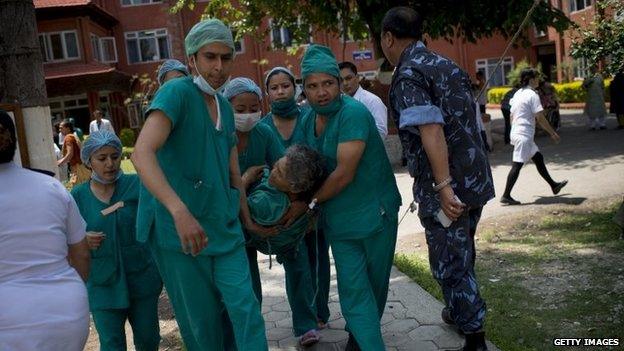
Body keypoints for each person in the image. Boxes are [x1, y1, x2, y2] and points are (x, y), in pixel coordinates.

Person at [131, 19, 268, 351]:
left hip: (223, 226)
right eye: (210, 57)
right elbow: (141, 153)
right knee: (202, 325)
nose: (218, 67)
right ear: (193, 58)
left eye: (225, 57)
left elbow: (231, 165)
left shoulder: (223, 104)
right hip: (181, 233)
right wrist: (179, 212)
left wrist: (245, 214)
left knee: (246, 309)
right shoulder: (177, 93)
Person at [381, 7, 495, 350]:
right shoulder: (445, 64)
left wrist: (444, 188)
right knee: (463, 252)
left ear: (388, 37)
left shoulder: (409, 74)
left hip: (447, 188)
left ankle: (473, 334)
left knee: (449, 263)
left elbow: (430, 128)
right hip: (475, 180)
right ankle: (460, 312)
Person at [299, 44, 402, 351]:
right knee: (354, 291)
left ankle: (359, 340)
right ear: (303, 88)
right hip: (340, 222)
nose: (322, 92)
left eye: (328, 83)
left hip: (376, 215)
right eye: (313, 86)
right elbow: (306, 166)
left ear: (339, 83)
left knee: (374, 288)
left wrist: (309, 204)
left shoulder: (353, 113)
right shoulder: (307, 120)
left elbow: (343, 173)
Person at [0, 110, 90, 351]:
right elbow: (81, 255)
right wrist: (65, 290)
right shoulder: (51, 186)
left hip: (8, 320)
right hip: (68, 312)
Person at [71, 131, 163, 351]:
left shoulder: (138, 186)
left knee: (148, 339)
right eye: (101, 158)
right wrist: (82, 240)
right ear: (88, 161)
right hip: (102, 283)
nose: (110, 164)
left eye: (114, 156)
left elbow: (159, 222)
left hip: (141, 277)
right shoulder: (78, 196)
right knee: (112, 344)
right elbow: (64, 239)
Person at [262, 66, 331, 328]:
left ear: (296, 88)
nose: (280, 91)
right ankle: (304, 324)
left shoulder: (311, 118)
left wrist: (309, 202)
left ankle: (320, 312)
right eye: (274, 87)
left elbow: (324, 161)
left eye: (286, 86)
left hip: (315, 205)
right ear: (267, 93)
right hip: (285, 210)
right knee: (295, 263)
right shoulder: (263, 127)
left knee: (318, 259)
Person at [244, 144, 327, 346]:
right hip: (289, 241)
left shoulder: (269, 205)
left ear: (293, 188)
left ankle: (303, 325)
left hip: (269, 239)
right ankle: (305, 326)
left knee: (299, 276)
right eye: (276, 165)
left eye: (278, 173)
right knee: (301, 274)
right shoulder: (296, 189)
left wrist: (244, 179)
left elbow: (236, 205)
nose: (272, 171)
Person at [222, 77, 283, 302]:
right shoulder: (219, 137)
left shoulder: (264, 133)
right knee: (239, 275)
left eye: (254, 108)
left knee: (252, 280)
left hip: (259, 211)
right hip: (227, 214)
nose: (248, 114)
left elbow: (281, 166)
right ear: (226, 107)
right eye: (240, 109)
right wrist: (245, 180)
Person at [501, 68, 568, 205]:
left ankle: (553, 185)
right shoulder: (532, 95)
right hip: (524, 134)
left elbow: (511, 114)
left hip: (517, 132)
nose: (539, 80)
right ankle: (506, 196)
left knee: (538, 158)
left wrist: (516, 128)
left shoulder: (518, 93)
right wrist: (552, 133)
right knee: (517, 165)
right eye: (537, 77)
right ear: (531, 79)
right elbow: (540, 117)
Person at [339, 61, 388, 138]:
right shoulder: (339, 103)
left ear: (357, 78)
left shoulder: (372, 101)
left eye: (348, 78)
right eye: (341, 80)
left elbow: (381, 131)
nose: (345, 83)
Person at [58, 118, 91, 187]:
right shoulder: (73, 135)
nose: (60, 130)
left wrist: (59, 162)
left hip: (77, 167)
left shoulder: (68, 138)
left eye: (61, 128)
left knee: (79, 188)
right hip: (81, 166)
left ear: (68, 129)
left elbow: (70, 154)